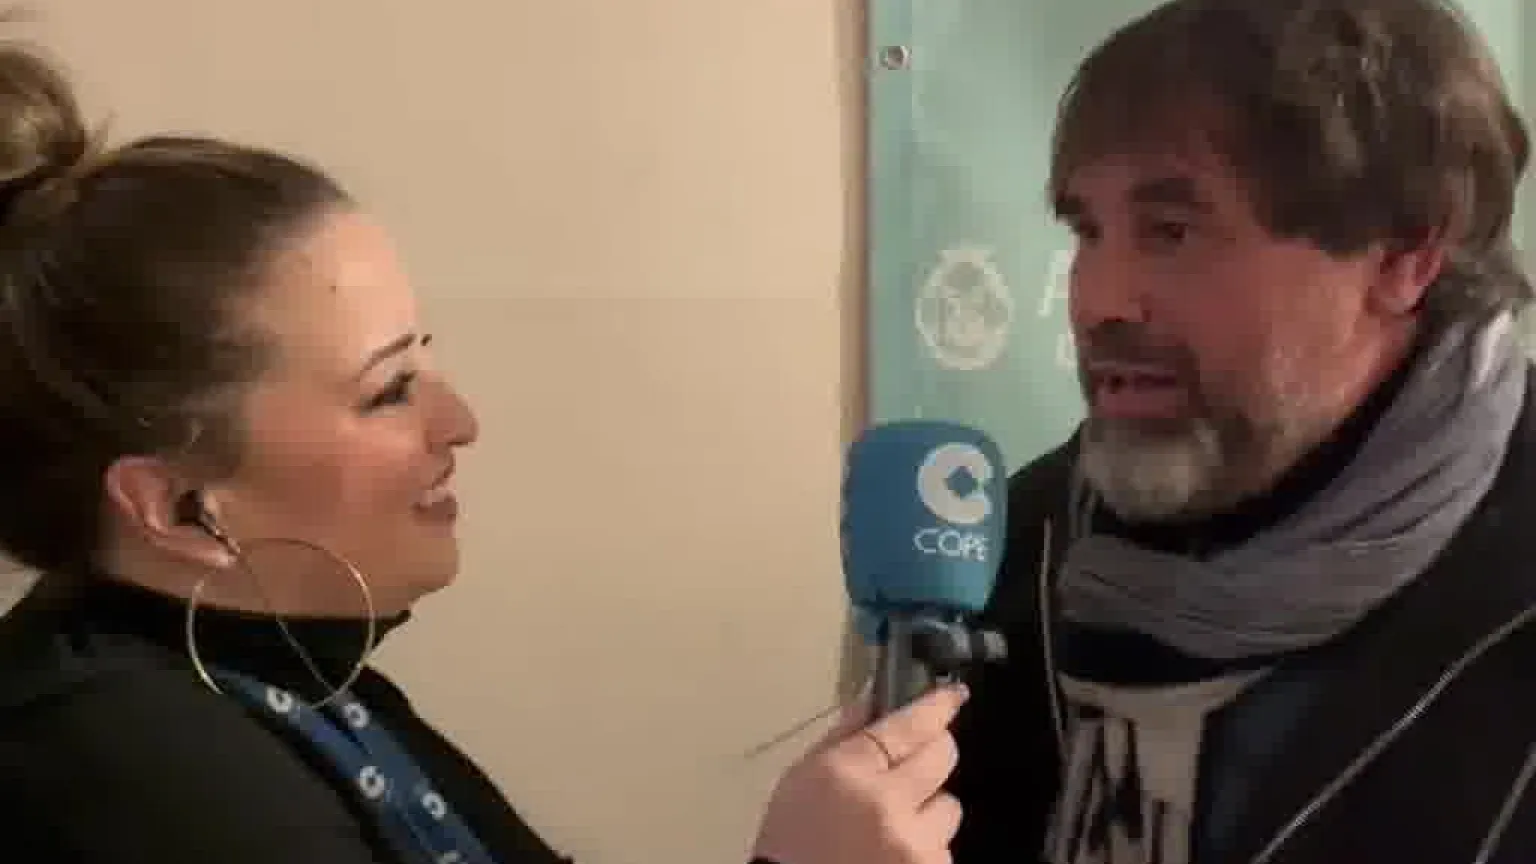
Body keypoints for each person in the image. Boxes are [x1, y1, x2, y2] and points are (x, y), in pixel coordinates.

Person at [0, 38, 965, 864]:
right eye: (389, 391)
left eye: (425, 361)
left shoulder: (282, 672)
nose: (458, 420)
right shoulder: (127, 774)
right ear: (176, 507)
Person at [946, 1, 1536, 862]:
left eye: (1171, 232)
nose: (1098, 300)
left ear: (1407, 256)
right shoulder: (1008, 552)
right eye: (1087, 231)